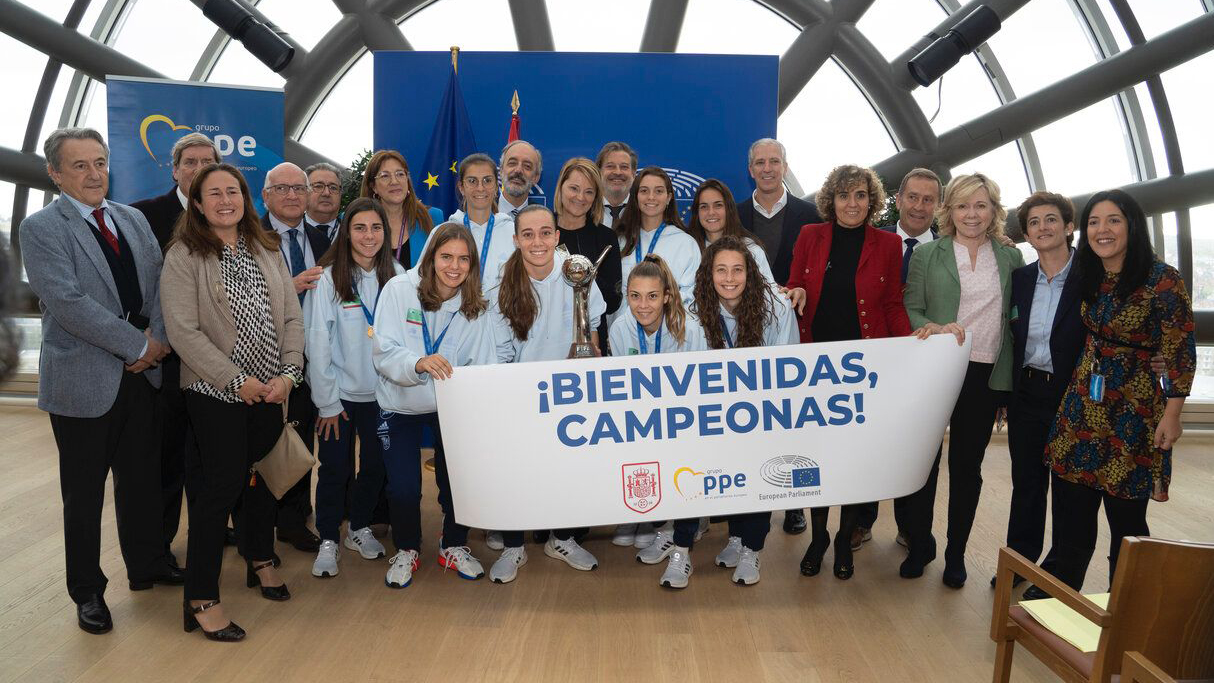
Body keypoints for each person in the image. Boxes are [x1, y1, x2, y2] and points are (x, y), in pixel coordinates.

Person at [23, 127, 179, 635]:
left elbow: (158, 285)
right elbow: (67, 303)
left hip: (142, 377)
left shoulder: (131, 218)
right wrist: (136, 346)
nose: (94, 174)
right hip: (83, 381)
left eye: (100, 162)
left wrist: (154, 339)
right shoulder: (40, 228)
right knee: (84, 495)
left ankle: (148, 564)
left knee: (141, 483)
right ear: (55, 174)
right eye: (80, 166)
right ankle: (87, 591)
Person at [161, 162, 303, 641]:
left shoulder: (267, 248)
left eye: (233, 191)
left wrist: (288, 374)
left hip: (270, 392)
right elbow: (183, 332)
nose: (225, 200)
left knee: (260, 479)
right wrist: (234, 379)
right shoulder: (184, 254)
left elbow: (290, 318)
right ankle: (201, 597)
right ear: (197, 204)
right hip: (214, 393)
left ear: (245, 199)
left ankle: (258, 558)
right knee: (218, 491)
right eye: (214, 193)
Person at [1044, 190, 1195, 591]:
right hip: (1084, 405)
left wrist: (1173, 414)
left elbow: (1180, 350)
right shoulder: (1088, 273)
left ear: (1132, 226)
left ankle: (1123, 609)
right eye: (1094, 221)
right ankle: (1061, 598)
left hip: (1135, 414)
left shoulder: (1162, 279)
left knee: (1126, 522)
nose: (1102, 229)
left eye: (1113, 220)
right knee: (1071, 513)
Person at [784, 165, 910, 581]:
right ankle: (818, 537)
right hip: (813, 365)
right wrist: (793, 292)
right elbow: (791, 288)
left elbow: (891, 302)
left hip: (863, 369)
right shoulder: (810, 237)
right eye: (843, 196)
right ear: (830, 201)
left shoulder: (889, 245)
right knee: (815, 456)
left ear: (871, 200)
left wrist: (911, 349)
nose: (851, 204)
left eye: (859, 195)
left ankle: (843, 539)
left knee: (855, 460)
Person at [648, 236, 796, 587]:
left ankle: (751, 547)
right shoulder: (693, 309)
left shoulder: (776, 306)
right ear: (707, 274)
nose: (729, 278)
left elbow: (789, 364)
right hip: (710, 411)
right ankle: (683, 551)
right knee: (698, 473)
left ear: (751, 273)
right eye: (721, 270)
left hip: (760, 409)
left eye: (738, 270)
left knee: (757, 474)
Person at [901, 172, 1025, 588]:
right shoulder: (929, 255)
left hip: (986, 374)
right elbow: (911, 308)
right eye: (962, 205)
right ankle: (920, 543)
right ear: (948, 210)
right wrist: (931, 326)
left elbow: (1016, 319)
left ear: (993, 210)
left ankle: (956, 554)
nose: (971, 214)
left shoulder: (1010, 258)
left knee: (967, 469)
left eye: (980, 205)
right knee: (923, 462)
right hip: (936, 368)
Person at [373, 222, 499, 588]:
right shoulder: (399, 290)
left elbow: (484, 360)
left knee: (457, 480)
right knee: (403, 488)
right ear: (430, 257)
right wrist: (417, 363)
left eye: (463, 259)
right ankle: (407, 549)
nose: (454, 267)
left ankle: (454, 544)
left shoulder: (475, 303)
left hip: (452, 406)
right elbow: (383, 350)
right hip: (401, 403)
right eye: (446, 256)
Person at [487, 205, 606, 583]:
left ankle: (563, 537)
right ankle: (513, 546)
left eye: (545, 233)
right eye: (528, 234)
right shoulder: (501, 284)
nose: (537, 241)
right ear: (516, 239)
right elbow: (501, 351)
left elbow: (593, 329)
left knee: (569, 471)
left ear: (557, 237)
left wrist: (591, 358)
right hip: (522, 392)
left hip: (570, 391)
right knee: (517, 473)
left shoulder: (579, 271)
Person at [131, 132, 223, 571]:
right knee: (165, 463)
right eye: (190, 161)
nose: (199, 167)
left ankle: (211, 531)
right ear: (174, 169)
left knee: (210, 457)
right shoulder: (144, 216)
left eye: (208, 160)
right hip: (167, 361)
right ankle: (157, 553)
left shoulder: (230, 215)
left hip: (220, 364)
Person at [304, 197, 405, 577]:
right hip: (340, 396)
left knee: (377, 466)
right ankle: (329, 537)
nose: (368, 236)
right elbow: (318, 341)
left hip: (383, 395)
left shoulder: (396, 274)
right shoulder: (329, 277)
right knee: (334, 468)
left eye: (376, 228)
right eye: (359, 228)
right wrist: (327, 403)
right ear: (347, 232)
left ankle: (358, 527)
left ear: (386, 232)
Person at [999, 191, 1081, 597]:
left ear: (1069, 226)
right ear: (1027, 234)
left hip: (1075, 397)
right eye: (1034, 222)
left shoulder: (1092, 278)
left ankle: (1058, 573)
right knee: (1027, 481)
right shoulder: (1022, 279)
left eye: (1051, 220)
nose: (1043, 227)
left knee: (1069, 488)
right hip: (1028, 391)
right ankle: (1020, 560)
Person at [608, 255, 708, 587]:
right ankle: (664, 530)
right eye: (634, 296)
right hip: (643, 421)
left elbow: (699, 384)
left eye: (652, 296)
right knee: (652, 476)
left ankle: (682, 550)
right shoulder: (621, 328)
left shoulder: (689, 328)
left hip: (684, 422)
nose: (643, 305)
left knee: (683, 478)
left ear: (666, 295)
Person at [858, 167, 944, 551]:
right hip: (875, 364)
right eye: (913, 197)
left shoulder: (950, 251)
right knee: (868, 444)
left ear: (939, 206)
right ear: (898, 198)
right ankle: (860, 522)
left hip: (926, 369)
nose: (919, 206)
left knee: (921, 448)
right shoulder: (870, 242)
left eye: (929, 199)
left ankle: (913, 528)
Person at [262, 162, 329, 554]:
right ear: (266, 194)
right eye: (281, 188)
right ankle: (255, 526)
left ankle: (292, 520)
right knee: (258, 445)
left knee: (300, 439)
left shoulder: (324, 241)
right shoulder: (244, 235)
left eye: (298, 188)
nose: (291, 195)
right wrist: (289, 288)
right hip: (259, 358)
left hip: (308, 358)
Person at [553, 157, 623, 349]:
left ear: (596, 197)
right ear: (561, 187)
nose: (580, 197)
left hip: (593, 339)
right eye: (574, 188)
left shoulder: (606, 238)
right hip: (546, 339)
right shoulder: (542, 231)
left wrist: (586, 282)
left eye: (589, 192)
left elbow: (613, 302)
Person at [422, 152, 516, 293]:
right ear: (461, 187)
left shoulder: (513, 232)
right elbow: (422, 278)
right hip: (454, 314)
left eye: (487, 180)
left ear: (497, 187)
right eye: (472, 181)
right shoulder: (442, 232)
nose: (480, 188)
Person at [736, 138, 823, 288]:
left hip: (797, 309)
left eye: (774, 161)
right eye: (760, 162)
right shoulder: (734, 216)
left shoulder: (813, 216)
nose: (767, 168)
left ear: (785, 168)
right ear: (751, 170)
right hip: (745, 309)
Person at [615, 166, 701, 306]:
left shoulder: (685, 243)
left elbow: (691, 295)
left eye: (659, 191)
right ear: (635, 197)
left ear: (668, 198)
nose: (651, 197)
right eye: (644, 191)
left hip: (670, 326)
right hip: (624, 326)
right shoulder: (620, 241)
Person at [358, 150, 443, 270]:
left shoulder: (433, 217)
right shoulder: (354, 222)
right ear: (373, 187)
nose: (394, 181)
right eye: (385, 176)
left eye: (400, 174)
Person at [685, 178, 775, 284]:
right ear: (697, 213)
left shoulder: (751, 250)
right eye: (704, 207)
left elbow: (769, 294)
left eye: (718, 205)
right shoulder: (688, 250)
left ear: (729, 209)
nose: (711, 212)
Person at [596, 141, 636, 228]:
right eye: (610, 166)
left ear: (633, 174)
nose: (618, 172)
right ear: (599, 172)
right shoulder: (586, 209)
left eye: (624, 167)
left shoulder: (643, 211)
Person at [498, 140, 542, 216]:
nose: (518, 170)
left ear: (535, 178)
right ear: (501, 171)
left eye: (527, 166)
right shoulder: (477, 213)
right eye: (512, 163)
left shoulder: (543, 218)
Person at [305, 162, 343, 241]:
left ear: (340, 194)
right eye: (318, 186)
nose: (326, 193)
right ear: (305, 191)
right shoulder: (290, 230)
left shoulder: (351, 232)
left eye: (333, 188)